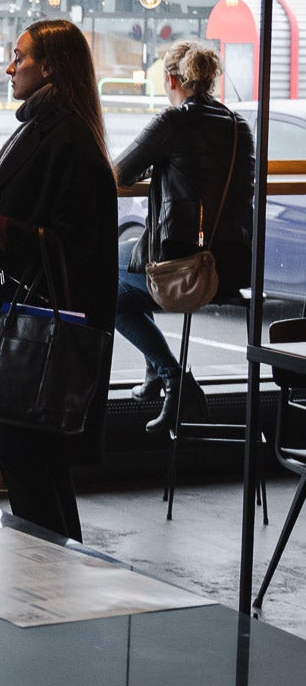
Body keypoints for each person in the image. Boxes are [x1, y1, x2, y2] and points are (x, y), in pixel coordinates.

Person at [0, 19, 117, 542]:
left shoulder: (64, 136)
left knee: (31, 470)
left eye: (18, 57)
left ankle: (54, 581)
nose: (8, 67)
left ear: (48, 67)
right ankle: (62, 575)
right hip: (23, 336)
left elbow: (76, 242)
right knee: (36, 471)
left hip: (33, 343)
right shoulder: (49, 128)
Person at [113, 39, 254, 432]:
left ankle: (172, 379)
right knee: (123, 258)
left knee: (104, 284)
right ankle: (161, 376)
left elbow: (118, 173)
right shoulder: (239, 126)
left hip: (187, 269)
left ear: (173, 78)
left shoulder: (173, 122)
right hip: (233, 269)